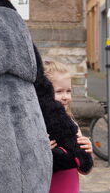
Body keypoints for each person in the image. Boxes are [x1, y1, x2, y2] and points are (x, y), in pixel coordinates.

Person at [43, 59, 93, 193]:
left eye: (68, 91)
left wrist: (87, 149)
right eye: (59, 91)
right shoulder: (38, 126)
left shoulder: (73, 126)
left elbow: (83, 169)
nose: (66, 97)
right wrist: (40, 151)